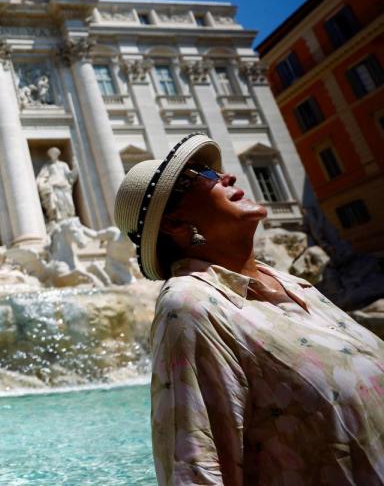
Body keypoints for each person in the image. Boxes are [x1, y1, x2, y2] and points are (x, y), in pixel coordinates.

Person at [114, 132, 384, 485]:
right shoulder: (189, 306)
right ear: (175, 224)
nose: (227, 176)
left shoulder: (295, 284)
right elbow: (196, 468)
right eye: (204, 175)